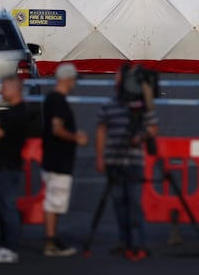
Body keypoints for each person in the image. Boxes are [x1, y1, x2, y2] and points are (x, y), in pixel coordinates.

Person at [96, 64, 159, 260]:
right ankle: (124, 242)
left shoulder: (141, 105)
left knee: (133, 205)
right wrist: (100, 157)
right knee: (118, 204)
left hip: (133, 162)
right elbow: (101, 130)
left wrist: (140, 136)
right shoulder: (109, 104)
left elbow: (153, 128)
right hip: (114, 160)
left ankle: (137, 243)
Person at [41, 64, 89, 257]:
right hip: (59, 160)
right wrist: (77, 138)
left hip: (53, 158)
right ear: (67, 79)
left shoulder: (51, 99)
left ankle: (52, 238)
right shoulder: (58, 102)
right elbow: (57, 129)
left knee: (54, 201)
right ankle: (51, 242)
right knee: (55, 201)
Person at [0, 77, 29, 264]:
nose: (1, 91)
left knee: (7, 207)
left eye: (4, 88)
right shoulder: (16, 112)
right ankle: (5, 244)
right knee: (1, 206)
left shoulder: (15, 114)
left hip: (7, 167)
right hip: (5, 166)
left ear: (14, 89)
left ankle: (10, 247)